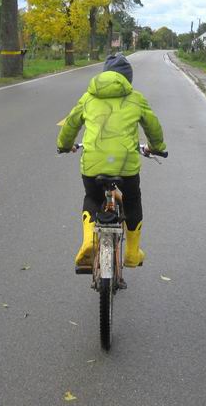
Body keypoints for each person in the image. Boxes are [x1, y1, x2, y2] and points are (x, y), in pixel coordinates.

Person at [57, 53, 166, 270]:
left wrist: (64, 144)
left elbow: (70, 125)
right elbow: (152, 126)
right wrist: (156, 147)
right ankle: (133, 253)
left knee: (92, 196)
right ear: (128, 79)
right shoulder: (136, 98)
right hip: (126, 166)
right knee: (133, 199)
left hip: (93, 164)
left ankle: (89, 240)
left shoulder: (88, 97)